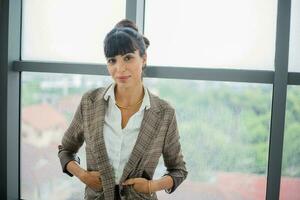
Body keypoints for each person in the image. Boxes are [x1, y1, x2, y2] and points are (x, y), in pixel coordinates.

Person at [58, 19, 188, 200]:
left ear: (143, 59)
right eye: (112, 60)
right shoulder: (90, 102)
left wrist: (152, 185)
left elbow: (178, 170)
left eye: (128, 57)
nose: (120, 68)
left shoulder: (164, 113)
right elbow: (65, 151)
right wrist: (84, 176)